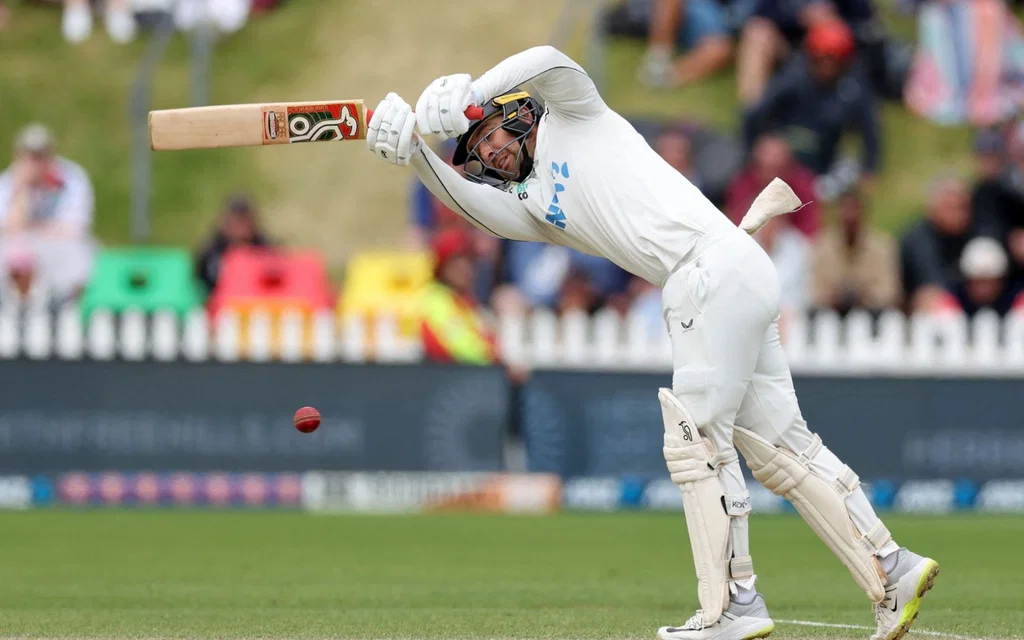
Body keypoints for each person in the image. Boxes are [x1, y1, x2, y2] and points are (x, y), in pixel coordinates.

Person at [364, 45, 939, 640]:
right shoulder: (530, 204)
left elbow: (550, 57)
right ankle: (891, 568)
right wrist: (415, 156)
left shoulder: (574, 114)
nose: (490, 153)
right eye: (477, 152)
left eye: (487, 134)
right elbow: (478, 212)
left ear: (510, 112)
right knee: (779, 450)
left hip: (708, 271)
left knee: (697, 445)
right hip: (729, 271)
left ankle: (734, 607)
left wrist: (471, 89)